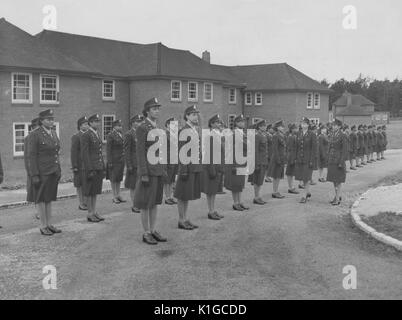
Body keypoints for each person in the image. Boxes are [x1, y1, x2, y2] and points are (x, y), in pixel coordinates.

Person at [134, 98, 167, 245]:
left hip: (158, 169)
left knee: (154, 202)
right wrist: (143, 173)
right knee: (145, 203)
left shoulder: (157, 127)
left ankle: (153, 230)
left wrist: (163, 168)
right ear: (147, 111)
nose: (157, 111)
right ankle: (146, 232)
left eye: (158, 108)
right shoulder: (143, 128)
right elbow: (140, 152)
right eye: (154, 109)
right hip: (148, 170)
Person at [28, 109, 62, 236]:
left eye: (52, 119)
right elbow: (32, 156)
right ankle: (43, 225)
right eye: (48, 119)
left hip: (52, 170)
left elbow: (56, 152)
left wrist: (58, 169)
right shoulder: (35, 134)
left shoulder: (53, 133)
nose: (51, 121)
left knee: (49, 198)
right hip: (42, 172)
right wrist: (35, 175)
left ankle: (49, 224)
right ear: (41, 121)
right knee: (41, 199)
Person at [174, 105, 203, 229]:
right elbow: (181, 151)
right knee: (182, 195)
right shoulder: (184, 130)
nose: (196, 116)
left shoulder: (194, 130)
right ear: (187, 116)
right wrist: (184, 169)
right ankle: (181, 220)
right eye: (193, 114)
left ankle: (185, 218)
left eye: (196, 114)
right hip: (186, 168)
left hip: (194, 166)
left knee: (187, 195)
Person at [81, 114, 106, 223]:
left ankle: (94, 211)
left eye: (98, 121)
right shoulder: (87, 135)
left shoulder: (96, 134)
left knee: (95, 191)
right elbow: (85, 153)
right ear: (90, 123)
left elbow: (99, 152)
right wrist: (89, 169)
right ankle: (90, 213)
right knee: (90, 191)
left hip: (98, 166)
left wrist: (102, 166)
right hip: (91, 167)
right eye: (95, 121)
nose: (97, 123)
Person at [201, 114, 225, 220]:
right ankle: (210, 211)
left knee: (214, 190)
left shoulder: (218, 135)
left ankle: (213, 209)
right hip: (212, 166)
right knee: (210, 190)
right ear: (211, 124)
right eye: (216, 122)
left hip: (218, 165)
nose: (219, 124)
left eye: (219, 122)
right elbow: (208, 154)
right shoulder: (210, 136)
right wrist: (211, 168)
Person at [224, 115, 249, 211]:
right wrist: (233, 165)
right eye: (241, 122)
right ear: (236, 123)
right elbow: (231, 150)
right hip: (235, 162)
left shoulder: (242, 133)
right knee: (235, 184)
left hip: (242, 161)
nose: (243, 123)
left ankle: (240, 201)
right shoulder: (233, 134)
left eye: (244, 121)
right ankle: (235, 203)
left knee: (240, 183)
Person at [124, 114, 144, 213]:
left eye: (140, 122)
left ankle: (138, 203)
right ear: (133, 123)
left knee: (139, 185)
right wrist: (129, 165)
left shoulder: (141, 133)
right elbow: (127, 151)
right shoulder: (129, 134)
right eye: (137, 122)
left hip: (141, 163)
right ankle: (134, 205)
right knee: (133, 185)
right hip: (133, 163)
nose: (139, 123)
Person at [295, 117, 317, 204]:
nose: (303, 125)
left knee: (306, 177)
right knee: (303, 177)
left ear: (308, 125)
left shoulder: (312, 134)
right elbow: (297, 146)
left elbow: (314, 149)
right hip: (300, 159)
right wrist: (296, 157)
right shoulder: (299, 133)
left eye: (305, 124)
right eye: (302, 123)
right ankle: (307, 192)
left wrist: (312, 160)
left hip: (308, 159)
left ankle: (304, 195)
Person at [327, 119, 348, 206]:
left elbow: (344, 150)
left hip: (338, 160)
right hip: (332, 160)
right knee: (334, 180)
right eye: (333, 125)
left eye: (335, 125)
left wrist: (341, 162)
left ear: (339, 126)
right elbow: (330, 147)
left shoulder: (343, 135)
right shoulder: (332, 134)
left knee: (338, 180)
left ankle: (337, 198)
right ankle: (337, 196)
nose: (334, 127)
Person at [71, 116, 89, 211]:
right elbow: (73, 152)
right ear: (80, 126)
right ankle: (81, 203)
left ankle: (86, 202)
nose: (87, 126)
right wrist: (74, 166)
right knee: (80, 185)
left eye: (87, 124)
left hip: (87, 165)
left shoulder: (89, 135)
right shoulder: (76, 136)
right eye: (84, 124)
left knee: (86, 184)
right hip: (79, 164)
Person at [249, 119, 268, 205]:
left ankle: (258, 196)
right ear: (259, 127)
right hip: (259, 161)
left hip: (263, 160)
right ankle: (256, 197)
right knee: (257, 180)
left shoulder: (263, 135)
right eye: (263, 126)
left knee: (260, 180)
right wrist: (255, 164)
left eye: (265, 125)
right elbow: (255, 150)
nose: (265, 127)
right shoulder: (257, 135)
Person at [107, 120, 126, 204]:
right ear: (114, 127)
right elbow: (108, 149)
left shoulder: (121, 135)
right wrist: (110, 161)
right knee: (113, 179)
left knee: (118, 178)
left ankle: (118, 195)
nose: (120, 127)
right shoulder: (111, 135)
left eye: (121, 125)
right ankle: (114, 196)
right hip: (114, 160)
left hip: (120, 160)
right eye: (119, 126)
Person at [24, 118, 41, 220]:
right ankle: (38, 212)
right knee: (36, 192)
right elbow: (27, 157)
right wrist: (30, 172)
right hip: (34, 170)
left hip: (43, 169)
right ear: (34, 127)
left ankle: (42, 211)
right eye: (38, 126)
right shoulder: (28, 138)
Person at [268, 120, 286, 199]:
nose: (283, 128)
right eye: (281, 126)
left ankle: (276, 191)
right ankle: (274, 192)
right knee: (276, 176)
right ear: (277, 127)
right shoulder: (275, 135)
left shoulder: (281, 135)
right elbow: (275, 149)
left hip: (281, 158)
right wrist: (278, 159)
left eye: (283, 126)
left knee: (278, 176)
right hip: (277, 158)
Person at [163, 117, 178, 205]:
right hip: (167, 159)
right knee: (167, 179)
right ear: (168, 125)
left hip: (174, 159)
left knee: (172, 179)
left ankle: (171, 196)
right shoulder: (165, 134)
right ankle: (167, 197)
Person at [285, 123, 299, 194]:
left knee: (291, 173)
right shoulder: (291, 137)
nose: (297, 129)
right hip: (291, 157)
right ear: (292, 129)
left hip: (293, 156)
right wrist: (291, 158)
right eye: (296, 128)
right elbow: (290, 149)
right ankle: (290, 187)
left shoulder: (294, 136)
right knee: (289, 173)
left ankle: (291, 186)